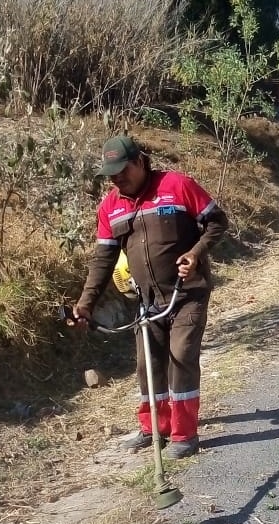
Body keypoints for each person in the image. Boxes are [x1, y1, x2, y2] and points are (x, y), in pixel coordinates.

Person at [73, 135, 228, 459]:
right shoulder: (110, 207)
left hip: (188, 293)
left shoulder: (178, 185)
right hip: (147, 301)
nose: (117, 178)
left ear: (141, 161)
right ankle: (154, 427)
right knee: (147, 365)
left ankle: (184, 434)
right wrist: (86, 304)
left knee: (181, 356)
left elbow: (216, 222)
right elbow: (103, 260)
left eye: (123, 169)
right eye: (111, 173)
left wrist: (196, 252)